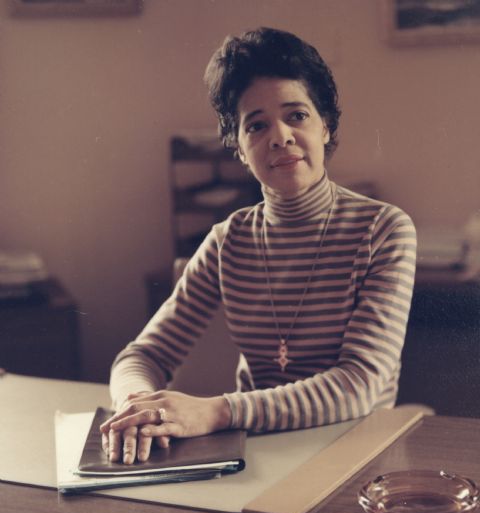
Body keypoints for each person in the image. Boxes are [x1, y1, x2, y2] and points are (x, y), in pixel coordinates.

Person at [100, 27, 417, 465]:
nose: (280, 136)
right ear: (240, 150)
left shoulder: (384, 229)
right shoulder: (228, 241)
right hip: (254, 455)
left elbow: (358, 386)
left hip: (357, 453)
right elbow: (142, 355)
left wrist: (215, 410)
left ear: (326, 126)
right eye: (257, 124)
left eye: (297, 115)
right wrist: (137, 406)